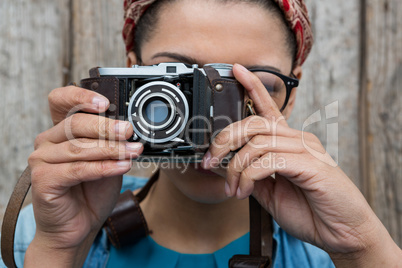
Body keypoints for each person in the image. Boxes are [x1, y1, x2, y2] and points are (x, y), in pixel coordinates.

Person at [1, 0, 401, 267]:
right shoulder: (37, 237)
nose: (212, 127)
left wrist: (362, 247)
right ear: (130, 75)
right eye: (178, 85)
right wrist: (59, 251)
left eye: (248, 87)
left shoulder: (330, 252)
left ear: (289, 96)